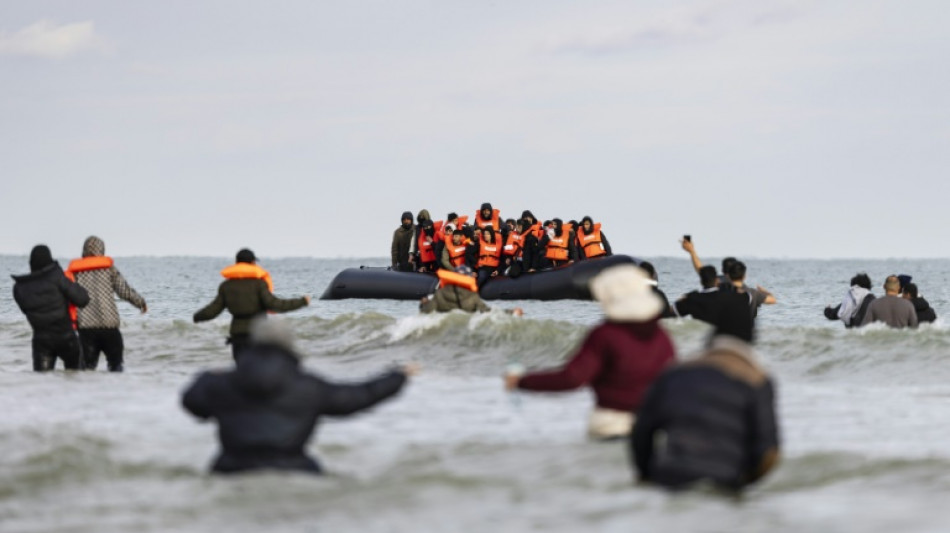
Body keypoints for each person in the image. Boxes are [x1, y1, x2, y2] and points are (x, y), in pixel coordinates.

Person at [182, 318, 413, 474]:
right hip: (294, 471)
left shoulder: (223, 383)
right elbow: (357, 397)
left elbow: (191, 401)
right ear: (290, 347)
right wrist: (397, 377)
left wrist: (207, 377)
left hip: (232, 470)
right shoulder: (308, 386)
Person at [505, 265, 674, 439]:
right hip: (652, 423)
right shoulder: (662, 336)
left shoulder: (606, 334)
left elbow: (573, 378)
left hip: (611, 423)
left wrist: (521, 381)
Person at [631, 326, 780, 492]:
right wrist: (744, 482)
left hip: (670, 475)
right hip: (725, 479)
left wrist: (647, 475)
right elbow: (768, 453)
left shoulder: (674, 373)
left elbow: (641, 432)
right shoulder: (757, 381)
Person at [193, 249, 310, 359]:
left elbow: (213, 309)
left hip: (238, 337)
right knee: (258, 373)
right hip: (258, 334)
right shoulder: (259, 284)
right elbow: (275, 304)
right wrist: (302, 302)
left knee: (242, 372)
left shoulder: (226, 286)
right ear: (253, 263)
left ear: (237, 263)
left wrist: (197, 316)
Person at [65, 236, 148, 372]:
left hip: (87, 329)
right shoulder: (109, 269)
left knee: (86, 369)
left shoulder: (76, 272)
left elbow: (66, 296)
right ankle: (116, 391)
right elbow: (124, 291)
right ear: (102, 250)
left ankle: (86, 392)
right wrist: (141, 303)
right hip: (109, 327)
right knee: (116, 367)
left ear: (84, 251)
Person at [11, 245, 90, 371]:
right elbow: (82, 300)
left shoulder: (19, 288)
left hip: (41, 342)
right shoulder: (57, 277)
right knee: (76, 380)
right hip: (66, 339)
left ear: (31, 264)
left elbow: (25, 310)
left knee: (42, 384)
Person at [420, 265, 523, 315]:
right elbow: (488, 311)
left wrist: (423, 303)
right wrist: (511, 312)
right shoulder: (472, 297)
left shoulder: (440, 293)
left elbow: (427, 310)